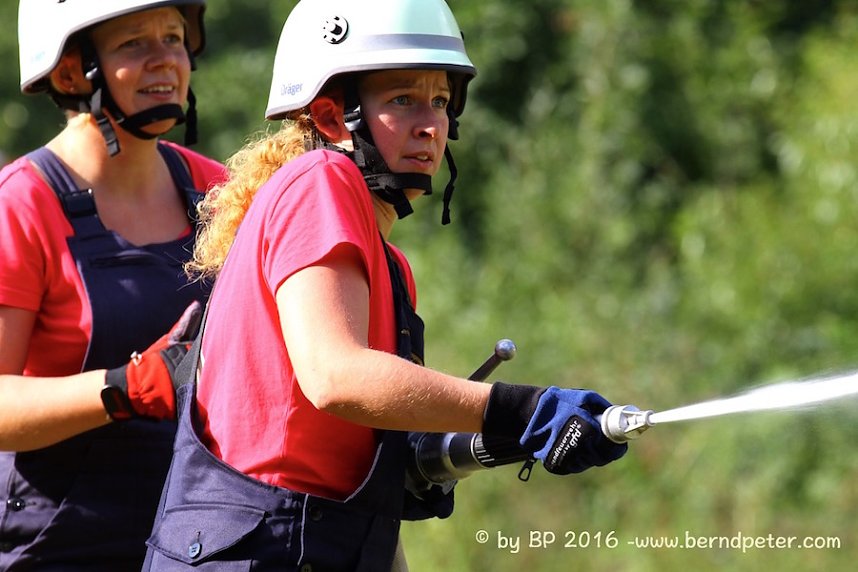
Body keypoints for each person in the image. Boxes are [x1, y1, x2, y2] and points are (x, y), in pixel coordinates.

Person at [143, 1, 627, 570]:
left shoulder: (390, 266)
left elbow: (348, 442)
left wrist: (429, 455)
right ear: (329, 118)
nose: (431, 124)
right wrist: (523, 410)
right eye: (402, 100)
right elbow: (336, 375)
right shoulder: (321, 180)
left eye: (442, 101)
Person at [0, 1, 225, 569]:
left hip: (199, 542)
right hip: (57, 549)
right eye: (134, 44)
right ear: (70, 71)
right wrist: (126, 386)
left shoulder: (217, 192)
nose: (165, 61)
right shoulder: (20, 206)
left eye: (173, 38)